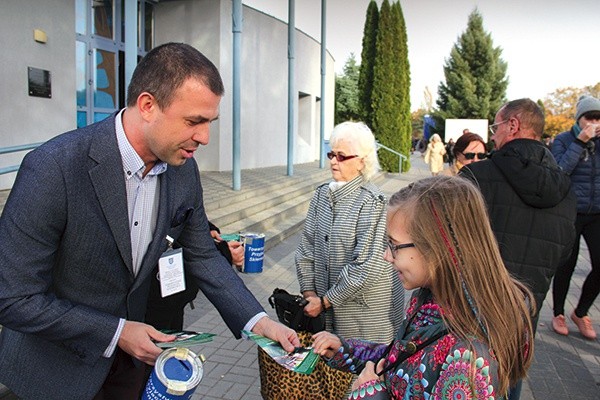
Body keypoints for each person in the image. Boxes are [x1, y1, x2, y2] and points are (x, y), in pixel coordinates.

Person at [0, 42, 299, 400]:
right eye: (194, 121)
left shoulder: (183, 171)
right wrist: (117, 332)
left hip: (131, 371)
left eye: (209, 123)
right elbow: (14, 298)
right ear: (147, 106)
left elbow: (202, 254)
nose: (204, 138)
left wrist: (258, 321)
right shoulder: (53, 168)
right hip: (53, 376)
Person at [311, 176, 535, 399]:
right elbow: (402, 360)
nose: (386, 256)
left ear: (436, 248)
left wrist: (369, 394)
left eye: (394, 245)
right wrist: (347, 351)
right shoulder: (431, 299)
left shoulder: (468, 356)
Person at [459, 98, 576, 400]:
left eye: (496, 127)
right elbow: (564, 253)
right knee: (511, 375)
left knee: (465, 380)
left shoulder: (476, 176)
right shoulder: (565, 187)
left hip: (472, 308)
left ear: (513, 125)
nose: (492, 135)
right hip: (528, 308)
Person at [296, 121, 404, 343]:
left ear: (362, 162)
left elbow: (366, 266)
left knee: (360, 372)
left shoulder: (372, 203)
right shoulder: (321, 195)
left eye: (342, 156)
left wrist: (326, 301)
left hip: (364, 319)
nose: (334, 161)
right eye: (331, 154)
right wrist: (309, 292)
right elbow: (306, 247)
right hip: (324, 310)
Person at [550, 95, 600, 340]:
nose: (594, 122)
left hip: (597, 212)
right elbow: (559, 172)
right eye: (590, 117)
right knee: (566, 264)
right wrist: (580, 143)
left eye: (599, 118)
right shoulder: (564, 139)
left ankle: (580, 312)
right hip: (570, 210)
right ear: (579, 119)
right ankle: (558, 312)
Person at [145, 221, 244, 331]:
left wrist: (205, 229)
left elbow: (188, 213)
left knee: (172, 335)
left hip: (175, 296)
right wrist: (224, 253)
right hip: (153, 296)